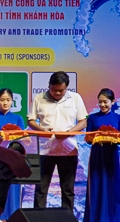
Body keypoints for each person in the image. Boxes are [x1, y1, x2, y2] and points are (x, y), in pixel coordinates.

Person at [27, 71, 87, 210]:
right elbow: (31, 120)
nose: (58, 93)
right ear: (49, 85)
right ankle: (38, 220)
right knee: (41, 188)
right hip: (45, 150)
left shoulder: (75, 98)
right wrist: (42, 130)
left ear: (67, 88)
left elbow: (83, 121)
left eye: (61, 90)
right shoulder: (39, 98)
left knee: (68, 189)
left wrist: (69, 133)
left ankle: (67, 221)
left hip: (68, 149)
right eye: (54, 90)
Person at [84, 88, 120, 222]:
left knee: (111, 187)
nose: (102, 105)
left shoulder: (118, 118)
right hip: (97, 155)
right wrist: (98, 136)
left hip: (111, 156)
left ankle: (111, 221)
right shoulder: (92, 118)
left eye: (105, 102)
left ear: (113, 102)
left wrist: (113, 137)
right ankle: (97, 221)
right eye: (100, 102)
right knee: (97, 186)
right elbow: (87, 139)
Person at [0, 88, 27, 220]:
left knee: (14, 189)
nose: (5, 103)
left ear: (12, 101)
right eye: (2, 100)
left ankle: (14, 217)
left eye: (8, 100)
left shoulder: (18, 118)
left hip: (14, 160)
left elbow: (24, 139)